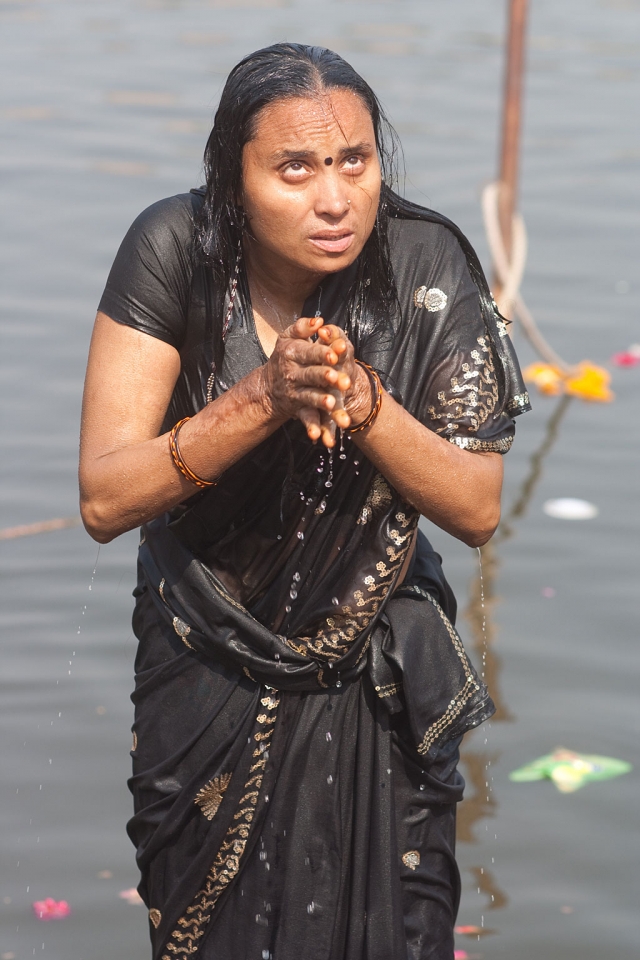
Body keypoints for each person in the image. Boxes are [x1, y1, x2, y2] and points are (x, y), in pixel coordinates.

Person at [80, 43, 530, 960]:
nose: (334, 198)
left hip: (374, 685)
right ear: (231, 178)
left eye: (353, 161)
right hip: (208, 670)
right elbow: (105, 495)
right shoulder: (173, 249)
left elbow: (477, 507)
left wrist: (362, 401)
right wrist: (264, 398)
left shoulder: (426, 262)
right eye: (295, 168)